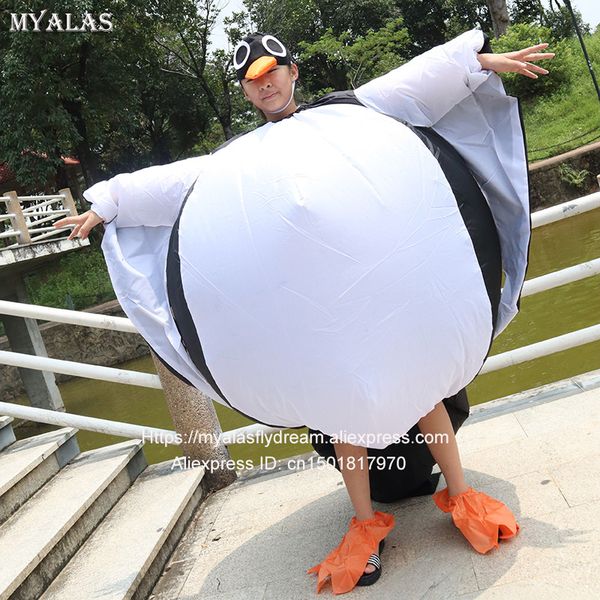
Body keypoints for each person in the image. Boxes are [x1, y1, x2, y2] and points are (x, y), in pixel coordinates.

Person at [55, 30, 554, 595]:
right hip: (324, 319)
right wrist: (106, 204)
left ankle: (461, 494)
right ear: (246, 92)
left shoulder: (351, 113)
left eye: (271, 71)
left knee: (426, 395)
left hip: (381, 302)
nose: (263, 83)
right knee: (344, 417)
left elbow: (413, 85)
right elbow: (170, 185)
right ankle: (365, 522)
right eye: (250, 80)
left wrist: (475, 61)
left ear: (292, 72)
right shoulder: (235, 162)